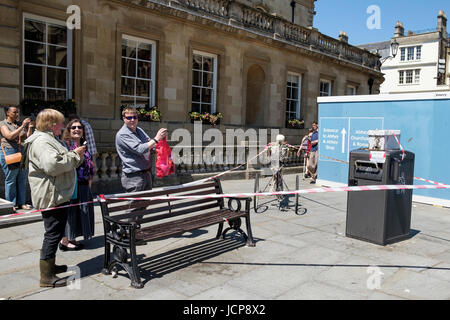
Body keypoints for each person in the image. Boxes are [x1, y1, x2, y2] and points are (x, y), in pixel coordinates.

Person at [23, 109, 85, 288]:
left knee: (55, 232)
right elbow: (53, 165)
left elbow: (58, 160)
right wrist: (74, 155)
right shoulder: (42, 141)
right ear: (51, 124)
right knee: (53, 234)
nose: (63, 126)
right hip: (52, 195)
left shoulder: (47, 139)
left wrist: (75, 156)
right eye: (60, 123)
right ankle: (46, 277)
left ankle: (50, 267)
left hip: (56, 193)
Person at [59, 119, 96, 251]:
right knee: (69, 212)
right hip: (71, 185)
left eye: (79, 127)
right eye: (73, 127)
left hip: (84, 184)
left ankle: (73, 238)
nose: (77, 129)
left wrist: (89, 184)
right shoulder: (64, 145)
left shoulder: (84, 145)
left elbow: (90, 167)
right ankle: (64, 241)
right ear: (68, 130)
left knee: (80, 212)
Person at [115, 106, 168, 197]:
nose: (132, 120)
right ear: (124, 118)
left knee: (144, 205)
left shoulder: (139, 130)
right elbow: (140, 149)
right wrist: (156, 138)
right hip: (133, 177)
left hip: (146, 174)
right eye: (129, 117)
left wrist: (161, 146)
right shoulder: (122, 134)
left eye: (135, 117)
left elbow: (150, 145)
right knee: (135, 207)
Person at [0, 105, 34, 212]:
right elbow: (9, 136)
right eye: (14, 112)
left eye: (17, 112)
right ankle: (11, 204)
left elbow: (27, 138)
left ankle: (22, 203)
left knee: (22, 178)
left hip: (21, 152)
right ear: (7, 113)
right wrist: (22, 126)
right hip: (10, 152)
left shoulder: (19, 124)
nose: (17, 114)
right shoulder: (3, 124)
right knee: (11, 179)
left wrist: (29, 128)